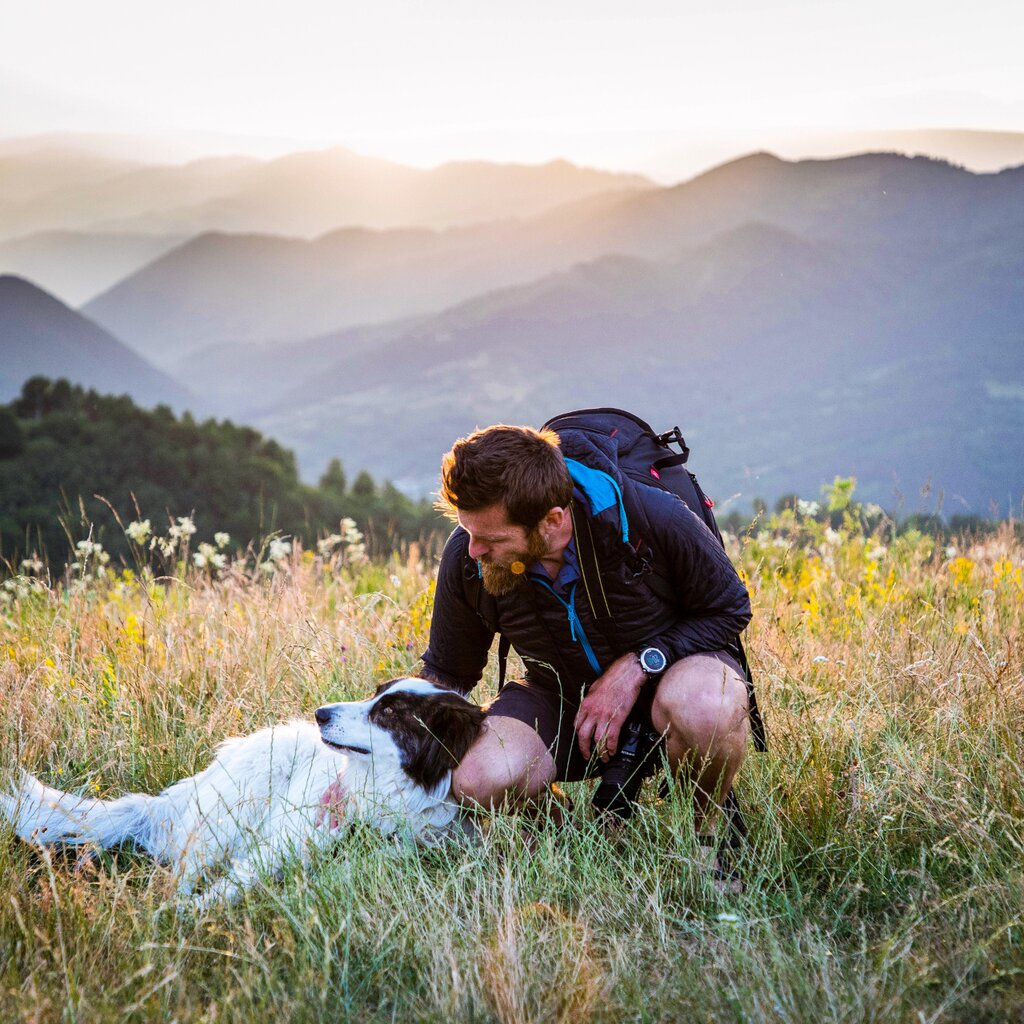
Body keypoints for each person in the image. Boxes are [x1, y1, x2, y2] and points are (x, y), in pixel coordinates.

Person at [418, 423, 753, 863]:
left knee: (706, 708)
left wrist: (638, 666)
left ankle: (710, 837)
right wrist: (378, 752)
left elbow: (729, 609)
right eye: (468, 531)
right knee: (478, 780)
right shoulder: (468, 553)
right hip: (559, 698)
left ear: (552, 521)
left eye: (492, 538)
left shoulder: (654, 518)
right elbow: (448, 672)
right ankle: (573, 838)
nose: (473, 549)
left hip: (675, 676)